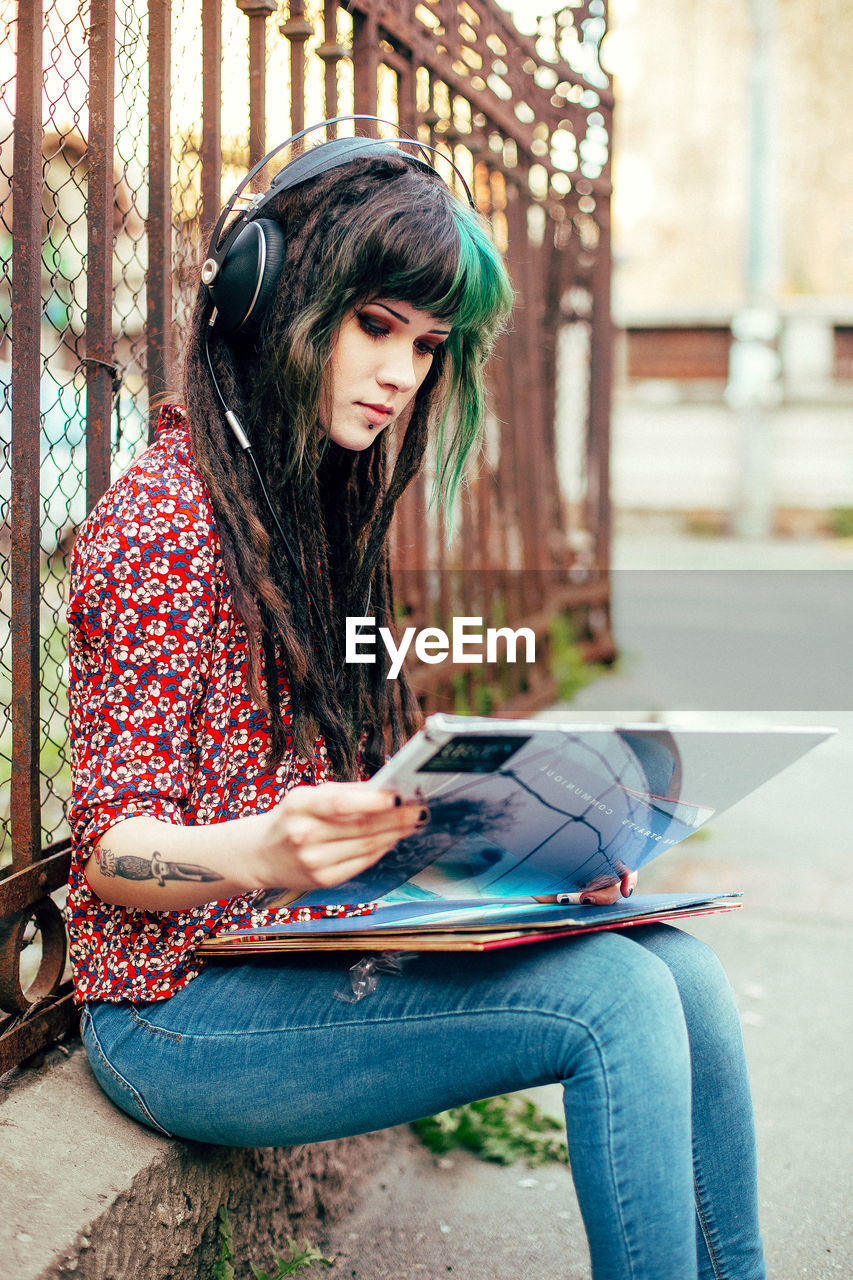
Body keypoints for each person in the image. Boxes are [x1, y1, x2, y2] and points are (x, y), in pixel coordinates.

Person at [67, 135, 766, 1280]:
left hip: (297, 952)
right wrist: (265, 850)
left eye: (427, 345)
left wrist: (543, 858)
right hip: (173, 1012)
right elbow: (111, 857)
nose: (401, 371)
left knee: (673, 965)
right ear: (271, 297)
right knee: (614, 1000)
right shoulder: (164, 525)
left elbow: (380, 818)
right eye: (375, 325)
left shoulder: (305, 509)